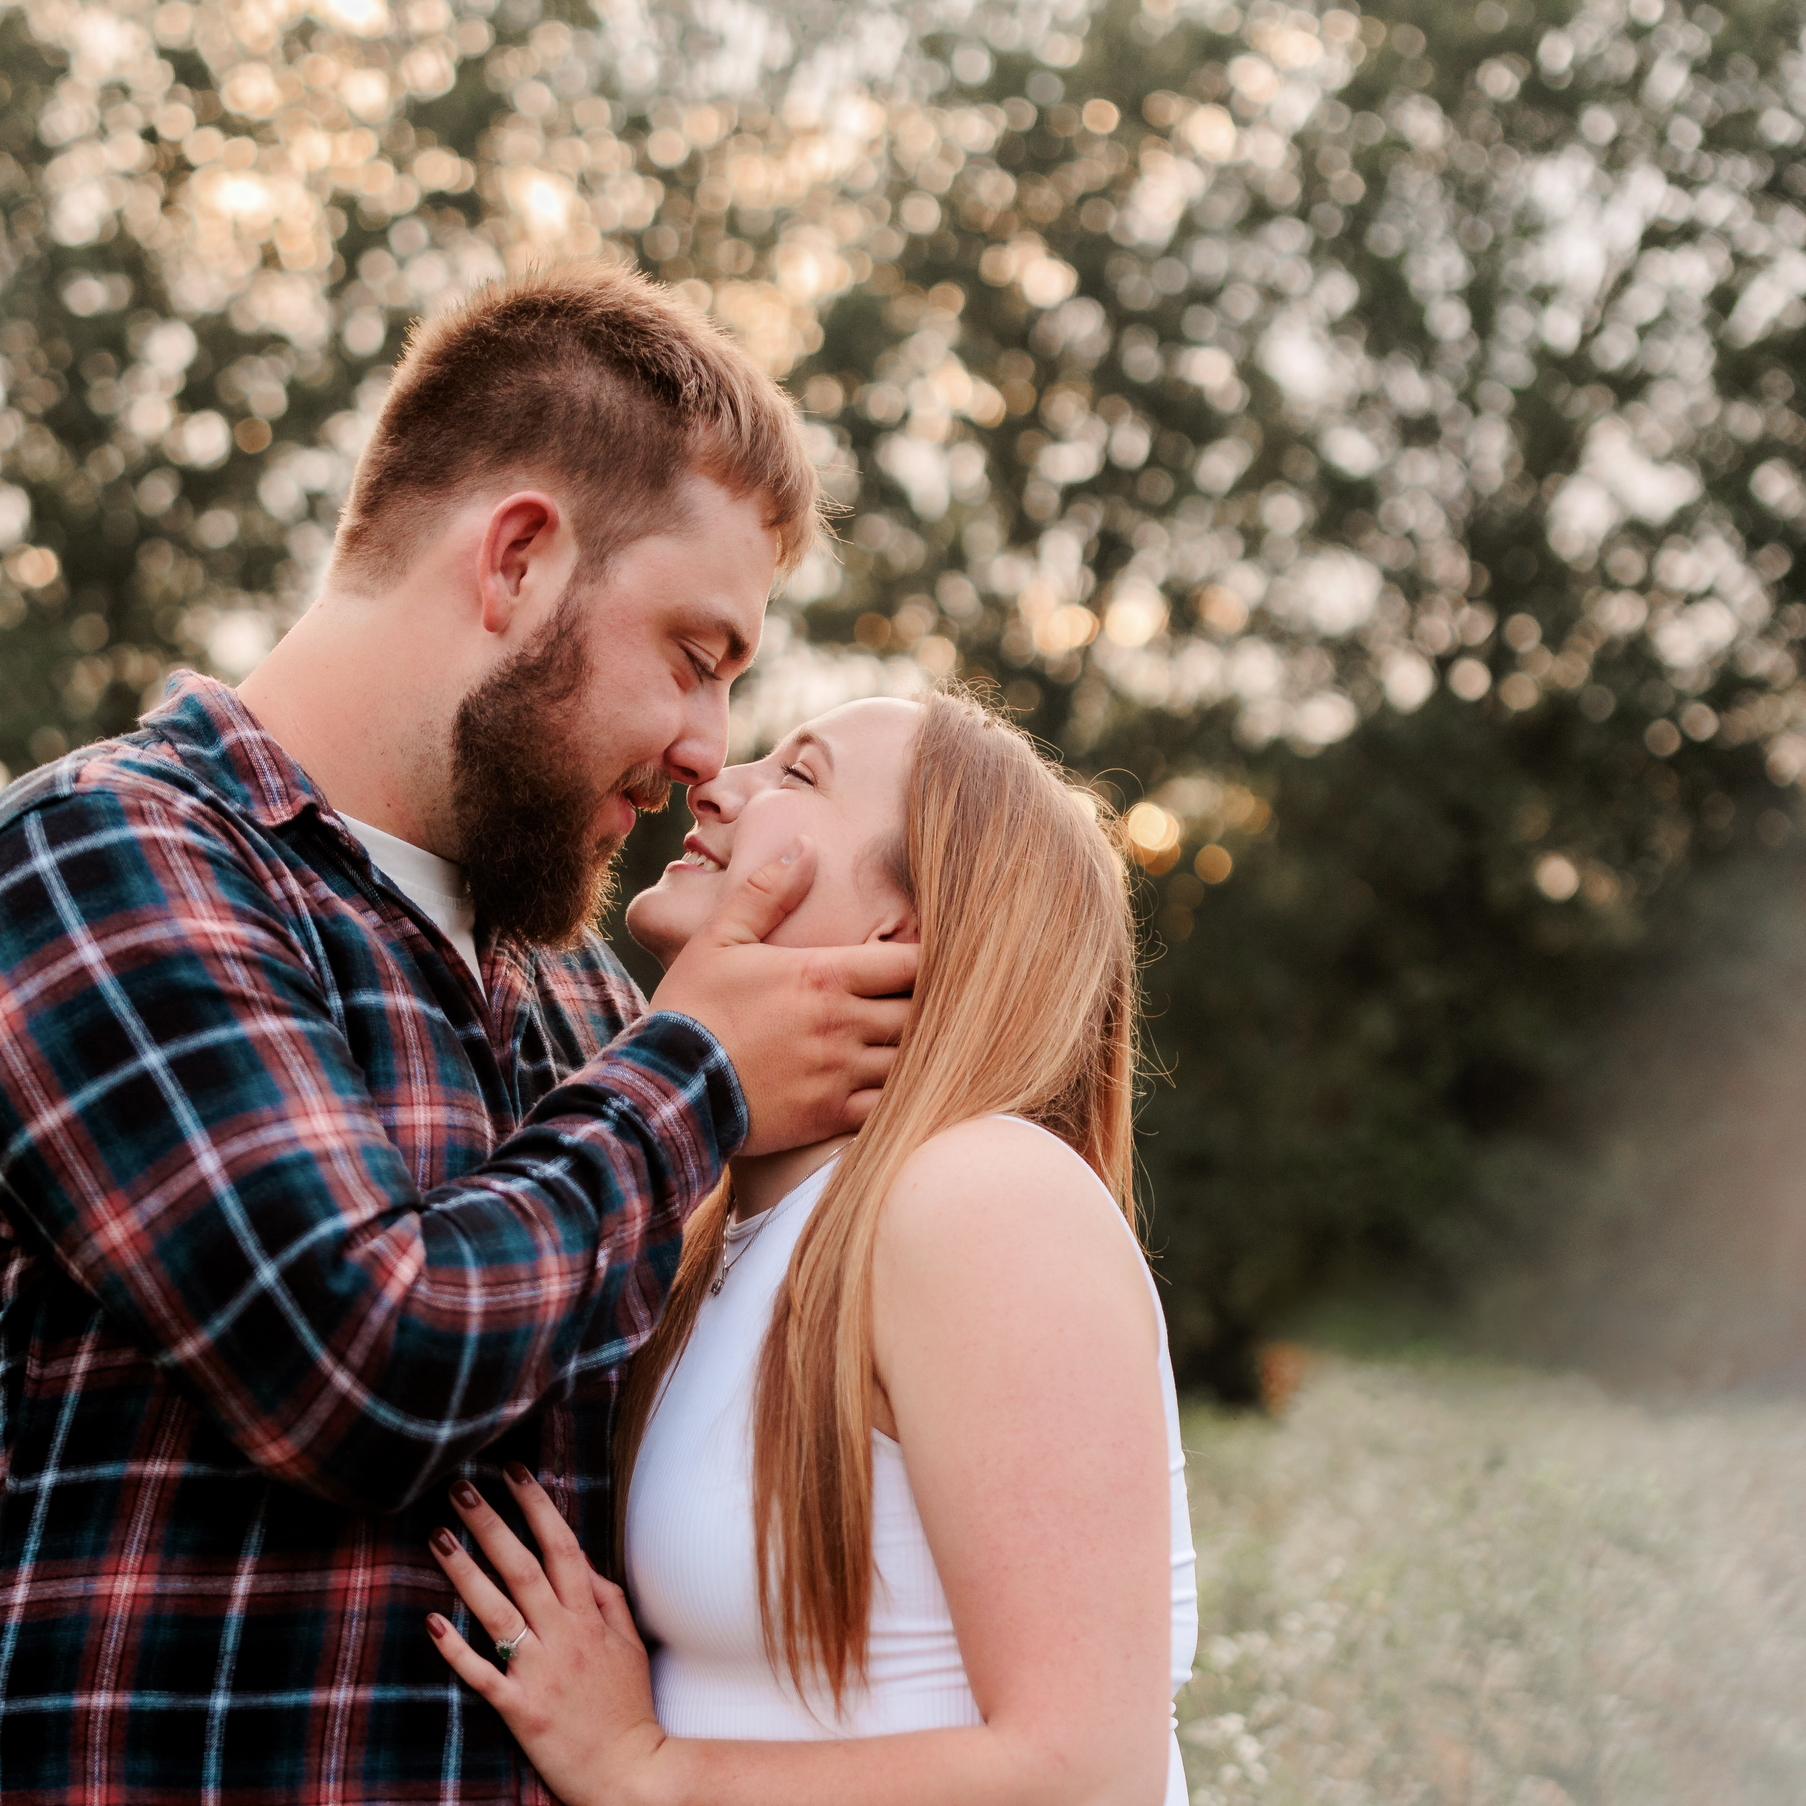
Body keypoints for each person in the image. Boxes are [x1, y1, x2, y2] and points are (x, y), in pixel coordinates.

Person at [0, 261, 915, 1803]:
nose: (708, 751)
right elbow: (361, 1363)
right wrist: (698, 1073)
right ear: (518, 560)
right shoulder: (103, 854)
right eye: (694, 657)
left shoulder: (586, 1000)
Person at [424, 687, 1201, 1806]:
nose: (715, 781)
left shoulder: (980, 1195)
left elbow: (1086, 1773)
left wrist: (644, 1771)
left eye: (798, 774)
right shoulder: (720, 1234)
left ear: (900, 928)